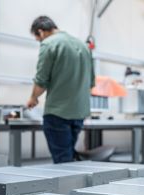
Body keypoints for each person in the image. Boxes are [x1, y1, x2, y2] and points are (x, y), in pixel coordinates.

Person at [27, 16, 94, 163]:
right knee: (68, 158)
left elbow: (41, 79)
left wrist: (33, 98)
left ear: (41, 32)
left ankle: (67, 186)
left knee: (62, 163)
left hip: (58, 113)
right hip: (79, 113)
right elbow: (91, 82)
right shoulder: (83, 46)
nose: (40, 42)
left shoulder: (49, 43)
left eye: (38, 38)